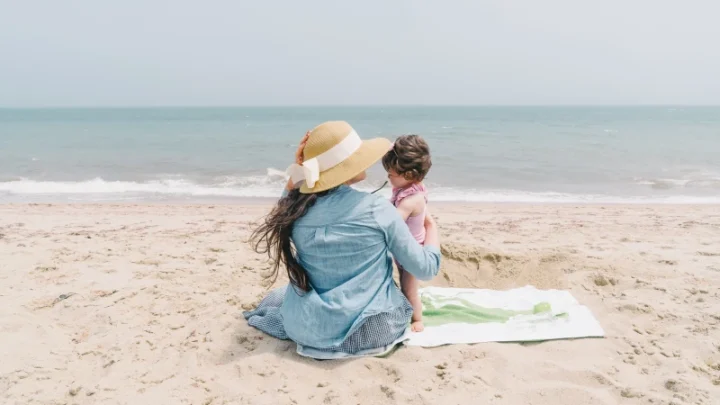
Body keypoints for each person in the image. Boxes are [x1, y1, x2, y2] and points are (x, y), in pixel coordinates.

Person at [245, 121, 441, 359]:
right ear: (346, 166)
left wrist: (300, 170)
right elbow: (426, 268)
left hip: (307, 327)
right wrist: (431, 227)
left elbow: (284, 203)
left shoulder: (294, 211)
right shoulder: (377, 210)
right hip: (370, 331)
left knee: (281, 296)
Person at [381, 135, 432, 332]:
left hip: (411, 253)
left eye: (391, 174)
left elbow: (392, 221)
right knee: (404, 283)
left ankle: (417, 319)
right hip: (404, 249)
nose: (388, 176)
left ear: (410, 175)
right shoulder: (410, 188)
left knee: (408, 287)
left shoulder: (411, 200)